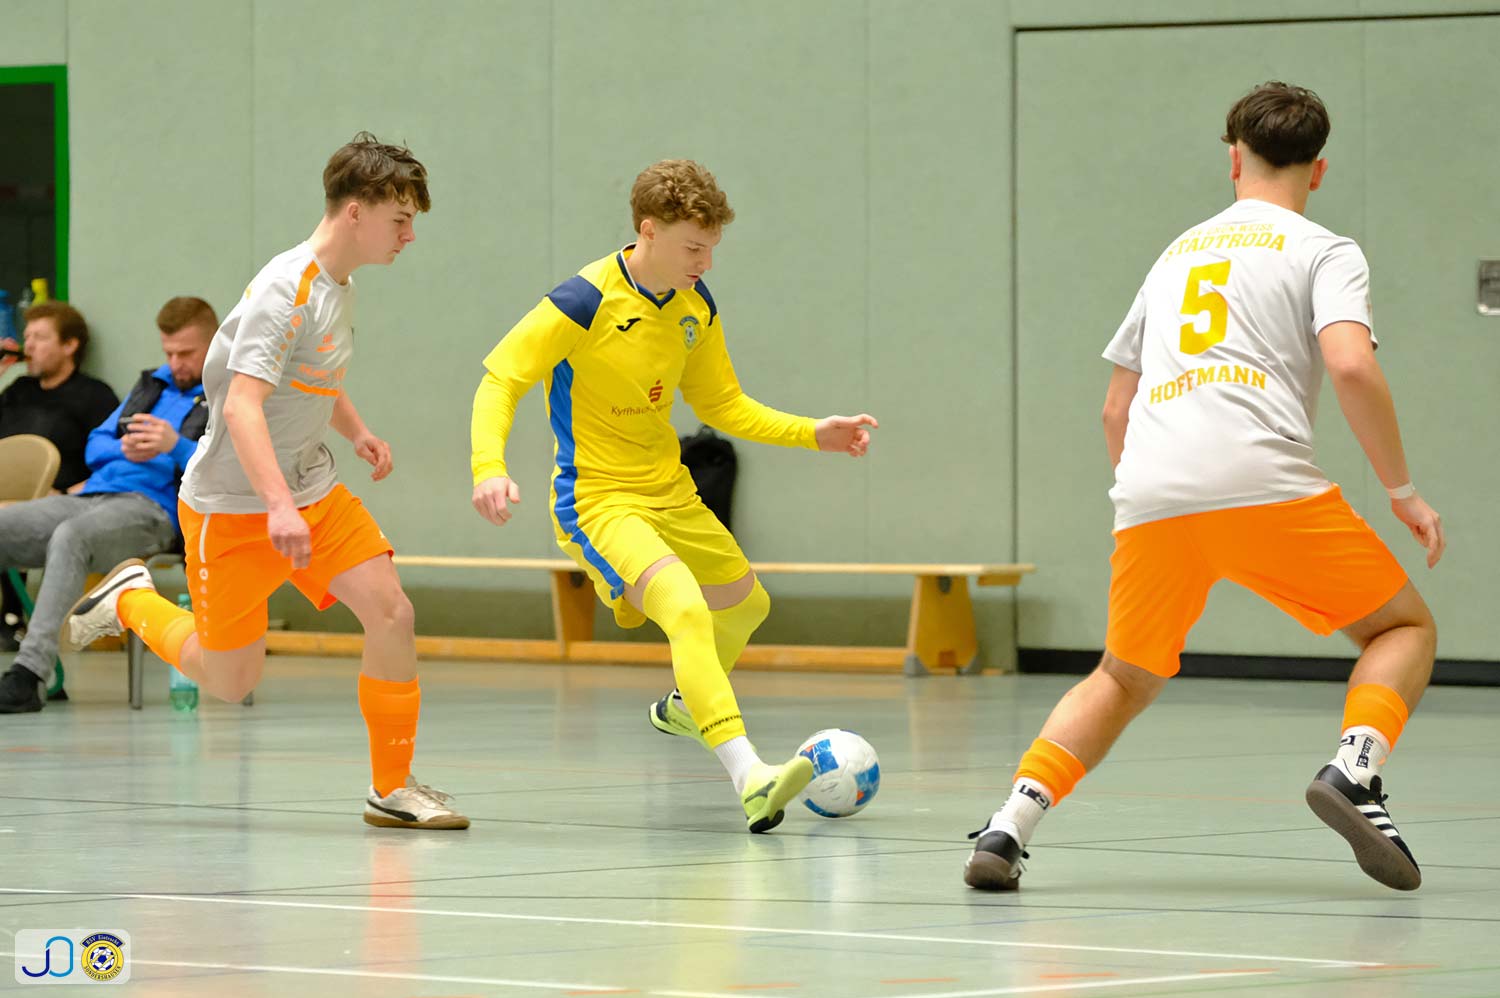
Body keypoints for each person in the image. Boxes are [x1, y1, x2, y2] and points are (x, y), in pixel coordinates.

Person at [964, 82, 1444, 893]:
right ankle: (1355, 769)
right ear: (1318, 170)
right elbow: (1352, 365)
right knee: (1403, 628)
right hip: (1263, 482)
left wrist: (1152, 494)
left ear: (1234, 159)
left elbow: (1116, 408)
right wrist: (1402, 490)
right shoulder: (1325, 250)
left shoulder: (1175, 255)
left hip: (1152, 492)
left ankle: (1010, 824)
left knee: (1121, 674)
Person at [62, 134, 467, 831]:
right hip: (232, 508)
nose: (409, 235)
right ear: (355, 212)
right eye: (400, 219)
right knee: (229, 680)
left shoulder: (339, 287)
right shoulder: (286, 291)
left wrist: (357, 431)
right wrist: (277, 507)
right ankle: (130, 600)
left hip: (313, 492)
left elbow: (312, 378)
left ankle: (392, 788)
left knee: (392, 613)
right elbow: (243, 405)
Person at [471, 159, 878, 834]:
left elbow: (724, 405)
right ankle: (751, 778)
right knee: (685, 609)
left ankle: (690, 705)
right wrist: (489, 466)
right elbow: (501, 379)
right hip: (599, 500)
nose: (705, 263)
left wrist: (813, 433)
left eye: (712, 248)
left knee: (747, 605)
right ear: (648, 231)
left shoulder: (696, 305)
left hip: (671, 492)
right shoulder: (583, 301)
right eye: (694, 248)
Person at [0, 297, 216, 712]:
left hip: (153, 510)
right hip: (92, 495)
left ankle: (29, 675)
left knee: (72, 536)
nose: (175, 363)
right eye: (169, 352)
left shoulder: (228, 393)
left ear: (213, 343)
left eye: (186, 353)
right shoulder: (152, 385)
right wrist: (125, 447)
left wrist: (174, 445)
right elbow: (95, 444)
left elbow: (230, 468)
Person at [0, 302, 119, 650]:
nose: (30, 345)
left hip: (62, 501)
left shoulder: (94, 396)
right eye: (27, 337)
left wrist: (67, 494)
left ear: (69, 345)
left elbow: (115, 463)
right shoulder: (18, 390)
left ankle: (13, 617)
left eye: (40, 337)